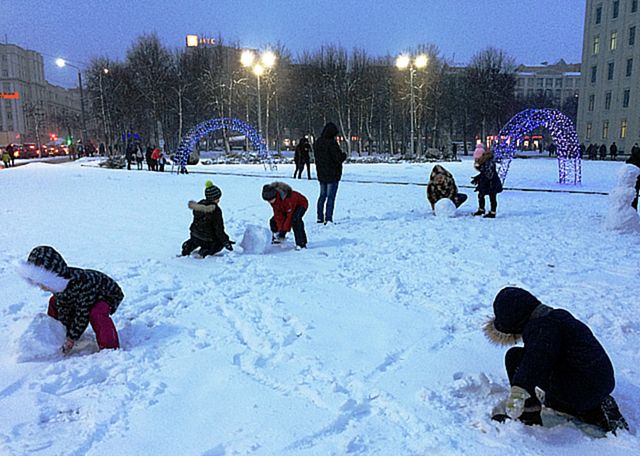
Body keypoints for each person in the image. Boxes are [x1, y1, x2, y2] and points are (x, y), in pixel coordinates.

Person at [486, 287, 628, 434]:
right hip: (600, 380)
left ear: (513, 318)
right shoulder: (557, 316)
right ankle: (594, 410)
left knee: (514, 357)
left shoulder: (541, 328)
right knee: (554, 397)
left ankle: (528, 415)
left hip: (582, 388)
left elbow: (536, 358)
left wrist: (519, 388)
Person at [17, 245, 123, 353]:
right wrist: (65, 333)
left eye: (43, 283)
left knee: (96, 312)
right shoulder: (59, 286)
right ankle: (55, 334)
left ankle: (109, 347)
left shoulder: (80, 285)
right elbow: (63, 308)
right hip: (86, 296)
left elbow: (82, 313)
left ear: (53, 278)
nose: (41, 287)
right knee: (54, 302)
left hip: (108, 294)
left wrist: (72, 337)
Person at [181, 181, 234, 258]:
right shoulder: (215, 211)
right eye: (217, 198)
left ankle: (189, 245)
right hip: (207, 239)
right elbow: (219, 229)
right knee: (219, 244)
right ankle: (206, 250)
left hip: (194, 235)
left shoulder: (199, 206)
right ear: (213, 198)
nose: (218, 200)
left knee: (196, 240)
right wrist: (226, 241)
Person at [314, 122, 347, 224]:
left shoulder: (318, 143)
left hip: (321, 173)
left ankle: (320, 217)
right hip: (332, 174)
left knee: (322, 196)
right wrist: (343, 155)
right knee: (331, 197)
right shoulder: (332, 143)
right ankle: (328, 218)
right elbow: (337, 158)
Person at [262, 181, 308, 249]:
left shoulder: (287, 198)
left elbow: (289, 216)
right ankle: (277, 237)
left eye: (270, 200)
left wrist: (284, 231)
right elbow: (278, 215)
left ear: (275, 196)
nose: (269, 202)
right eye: (268, 201)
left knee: (295, 220)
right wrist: (280, 229)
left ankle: (301, 243)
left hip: (300, 204)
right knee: (273, 221)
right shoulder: (274, 201)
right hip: (285, 207)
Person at [471, 143, 503, 218]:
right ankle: (481, 209)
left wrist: (480, 169)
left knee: (492, 196)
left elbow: (488, 174)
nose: (476, 160)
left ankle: (492, 212)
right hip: (486, 182)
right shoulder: (484, 162)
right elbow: (484, 172)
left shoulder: (488, 162)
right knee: (481, 195)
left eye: (477, 159)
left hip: (491, 183)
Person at [626, 146, 640, 211]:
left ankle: (633, 212)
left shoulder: (632, 158)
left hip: (635, 180)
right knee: (634, 197)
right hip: (636, 180)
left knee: (634, 198)